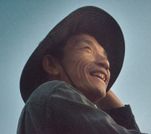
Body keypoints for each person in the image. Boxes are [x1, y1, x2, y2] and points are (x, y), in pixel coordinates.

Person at [17, 6, 144, 134]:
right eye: (87, 49)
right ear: (51, 64)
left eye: (105, 57)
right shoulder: (53, 92)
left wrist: (97, 81)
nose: (106, 63)